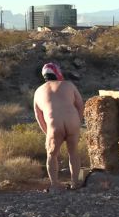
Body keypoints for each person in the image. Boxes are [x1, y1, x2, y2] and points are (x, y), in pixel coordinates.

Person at [33, 62, 84, 191]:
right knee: (73, 152)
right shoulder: (69, 85)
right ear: (57, 73)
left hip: (54, 123)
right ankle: (74, 183)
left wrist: (47, 132)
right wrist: (78, 121)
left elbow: (38, 116)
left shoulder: (38, 91)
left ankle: (55, 184)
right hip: (72, 120)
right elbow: (80, 104)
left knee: (52, 154)